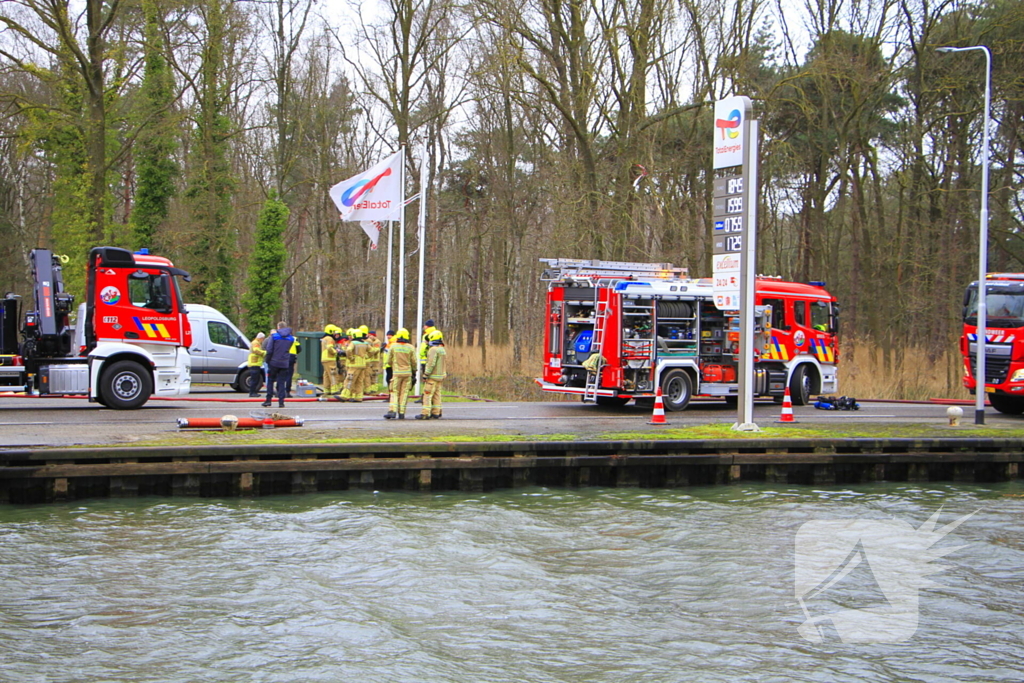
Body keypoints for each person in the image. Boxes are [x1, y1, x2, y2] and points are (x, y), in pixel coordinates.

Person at [383, 328, 415, 419]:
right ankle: (402, 412)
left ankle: (392, 410)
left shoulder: (393, 346)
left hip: (397, 373)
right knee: (404, 393)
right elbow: (414, 362)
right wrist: (414, 371)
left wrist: (390, 365)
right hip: (407, 373)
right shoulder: (411, 347)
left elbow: (388, 360)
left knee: (394, 391)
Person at [262, 322, 294, 408]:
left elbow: (269, 350)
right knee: (281, 382)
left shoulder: (274, 337)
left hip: (274, 362)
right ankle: (281, 402)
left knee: (270, 381)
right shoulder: (291, 338)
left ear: (278, 327)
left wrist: (268, 360)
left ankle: (268, 400)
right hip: (284, 363)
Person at [416, 329, 447, 420]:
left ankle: (425, 413)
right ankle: (436, 412)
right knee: (437, 395)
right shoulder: (442, 349)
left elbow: (431, 363)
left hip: (432, 376)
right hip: (440, 376)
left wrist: (426, 374)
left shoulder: (433, 350)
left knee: (427, 394)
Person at [344, 327, 371, 402]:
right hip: (362, 364)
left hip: (354, 364)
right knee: (359, 381)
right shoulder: (365, 343)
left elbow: (348, 350)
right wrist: (366, 357)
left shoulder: (353, 343)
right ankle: (358, 397)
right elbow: (372, 351)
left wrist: (351, 358)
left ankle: (345, 395)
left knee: (350, 379)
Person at [417, 319, 437, 403]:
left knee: (427, 380)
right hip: (424, 359)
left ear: (427, 326)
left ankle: (425, 397)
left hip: (426, 360)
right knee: (426, 380)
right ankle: (424, 396)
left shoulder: (430, 334)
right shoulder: (429, 333)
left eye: (425, 325)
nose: (423, 327)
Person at [320, 325, 342, 396]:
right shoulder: (330, 339)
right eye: (334, 332)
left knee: (326, 374)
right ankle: (334, 390)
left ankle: (327, 389)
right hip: (330, 358)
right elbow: (330, 348)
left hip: (324, 358)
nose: (335, 333)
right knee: (333, 373)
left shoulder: (324, 338)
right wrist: (336, 352)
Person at [246, 332, 266, 397]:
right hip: (254, 363)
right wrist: (264, 352)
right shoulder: (256, 343)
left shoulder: (256, 342)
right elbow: (256, 350)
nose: (263, 340)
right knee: (254, 379)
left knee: (255, 378)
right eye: (263, 339)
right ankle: (252, 393)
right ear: (261, 338)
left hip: (255, 363)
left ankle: (253, 392)